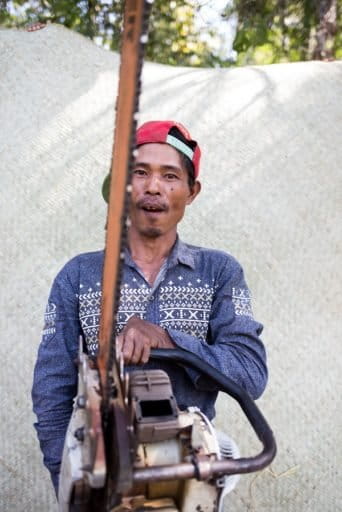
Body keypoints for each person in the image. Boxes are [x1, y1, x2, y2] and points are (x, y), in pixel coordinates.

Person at [32, 120, 267, 494]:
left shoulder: (219, 272)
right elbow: (52, 388)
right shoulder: (79, 275)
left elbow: (250, 374)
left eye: (170, 176)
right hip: (105, 473)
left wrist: (170, 342)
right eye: (139, 172)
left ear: (192, 192)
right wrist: (70, 480)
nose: (154, 186)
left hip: (191, 479)